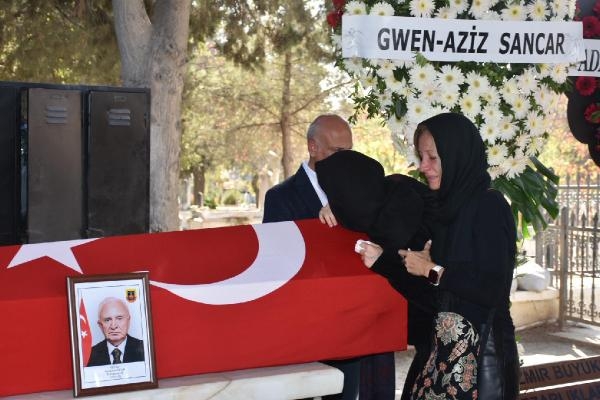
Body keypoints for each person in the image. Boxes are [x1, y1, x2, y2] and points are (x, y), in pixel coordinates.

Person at [394, 112, 520, 399]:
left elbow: (491, 290)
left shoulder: (489, 206)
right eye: (421, 157)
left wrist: (431, 270)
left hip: (482, 362)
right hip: (441, 358)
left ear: (457, 156)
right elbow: (440, 298)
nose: (423, 166)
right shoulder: (444, 212)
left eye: (432, 157)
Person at [263, 114, 377, 400]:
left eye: (350, 151)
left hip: (348, 326)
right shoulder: (280, 197)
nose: (347, 159)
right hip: (302, 327)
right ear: (313, 147)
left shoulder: (364, 193)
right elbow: (275, 265)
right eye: (339, 151)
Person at [316, 149, 437, 400]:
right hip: (435, 343)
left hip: (446, 343)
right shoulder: (391, 191)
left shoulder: (406, 218)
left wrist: (385, 262)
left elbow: (431, 292)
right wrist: (331, 208)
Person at [87, 297, 145, 367]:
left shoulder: (144, 348)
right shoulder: (89, 356)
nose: (113, 326)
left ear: (128, 321)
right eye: (107, 320)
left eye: (119, 318)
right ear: (100, 325)